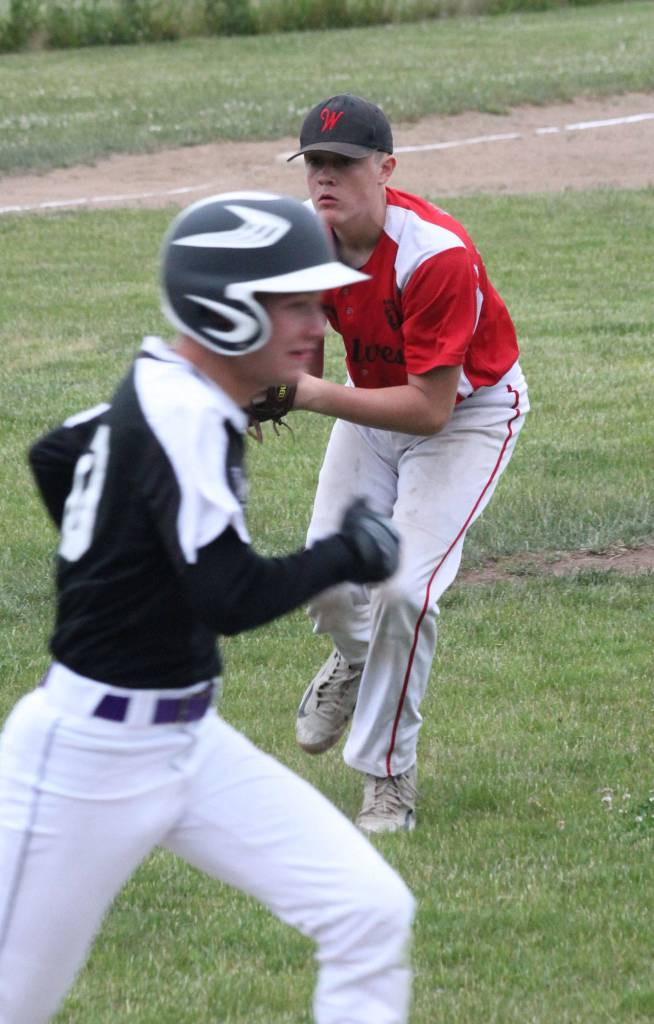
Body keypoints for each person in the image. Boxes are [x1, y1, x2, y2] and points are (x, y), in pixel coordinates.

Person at [0, 192, 414, 1024]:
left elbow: (59, 451)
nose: (315, 321)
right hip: (86, 757)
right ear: (225, 308)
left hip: (184, 743)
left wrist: (117, 564)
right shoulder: (185, 410)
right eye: (292, 301)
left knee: (369, 908)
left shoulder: (165, 384)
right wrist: (346, 553)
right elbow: (230, 596)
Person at [285, 94, 530, 834]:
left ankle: (387, 780)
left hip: (467, 417)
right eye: (316, 164)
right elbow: (314, 335)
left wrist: (306, 394)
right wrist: (273, 382)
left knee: (403, 591)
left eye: (345, 163)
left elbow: (429, 409)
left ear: (386, 168)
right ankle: (357, 663)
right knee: (327, 574)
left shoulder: (435, 256)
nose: (326, 178)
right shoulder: (310, 238)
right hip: (372, 399)